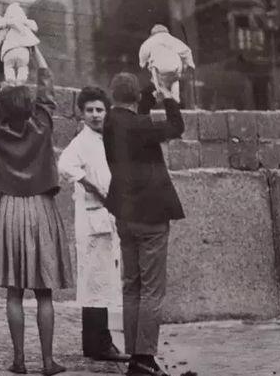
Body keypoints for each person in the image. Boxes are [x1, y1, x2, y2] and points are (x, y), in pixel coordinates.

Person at [0, 30, 73, 376]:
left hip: (8, 209)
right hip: (40, 208)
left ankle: (19, 361)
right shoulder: (43, 123)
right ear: (32, 106)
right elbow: (48, 90)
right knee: (44, 293)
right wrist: (35, 49)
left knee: (14, 293)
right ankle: (48, 362)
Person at [102, 73, 185, 376]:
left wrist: (151, 87)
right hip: (151, 215)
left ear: (112, 95)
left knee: (131, 286)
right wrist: (169, 97)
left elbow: (139, 116)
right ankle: (145, 358)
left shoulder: (110, 121)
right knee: (152, 290)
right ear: (135, 97)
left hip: (124, 214)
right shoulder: (140, 126)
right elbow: (176, 126)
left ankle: (134, 356)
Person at [58, 86, 130, 362]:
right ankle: (99, 344)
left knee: (101, 281)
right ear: (82, 113)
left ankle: (96, 342)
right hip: (92, 217)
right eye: (89, 110)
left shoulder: (106, 138)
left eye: (99, 109)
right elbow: (65, 166)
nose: (95, 115)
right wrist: (91, 185)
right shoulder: (82, 141)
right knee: (95, 281)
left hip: (107, 215)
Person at [139, 24, 195, 102]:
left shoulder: (150, 41)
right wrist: (190, 65)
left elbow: (143, 53)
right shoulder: (173, 40)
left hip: (159, 69)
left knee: (155, 80)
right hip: (176, 68)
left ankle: (163, 94)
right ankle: (175, 99)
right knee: (175, 80)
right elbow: (187, 51)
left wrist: (142, 63)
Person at [0, 2, 40, 85]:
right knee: (23, 67)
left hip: (9, 51)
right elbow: (35, 27)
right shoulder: (24, 24)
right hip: (23, 51)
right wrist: (24, 22)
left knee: (8, 67)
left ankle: (10, 81)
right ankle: (21, 81)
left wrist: (7, 22)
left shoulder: (6, 24)